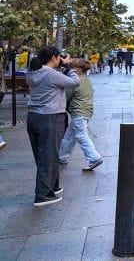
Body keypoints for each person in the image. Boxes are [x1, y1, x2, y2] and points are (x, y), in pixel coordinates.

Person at [26, 46, 80, 207]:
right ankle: (42, 196)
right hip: (50, 117)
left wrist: (61, 66)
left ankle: (52, 187)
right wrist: (68, 66)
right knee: (49, 155)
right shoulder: (51, 75)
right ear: (54, 58)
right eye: (59, 57)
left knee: (43, 155)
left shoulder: (32, 72)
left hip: (33, 117)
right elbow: (75, 82)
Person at [58, 59, 103, 171]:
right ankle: (63, 157)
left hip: (79, 111)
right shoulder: (87, 80)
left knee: (80, 135)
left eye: (73, 67)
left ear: (79, 69)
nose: (71, 70)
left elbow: (66, 96)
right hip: (86, 111)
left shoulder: (75, 82)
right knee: (70, 136)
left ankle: (94, 157)